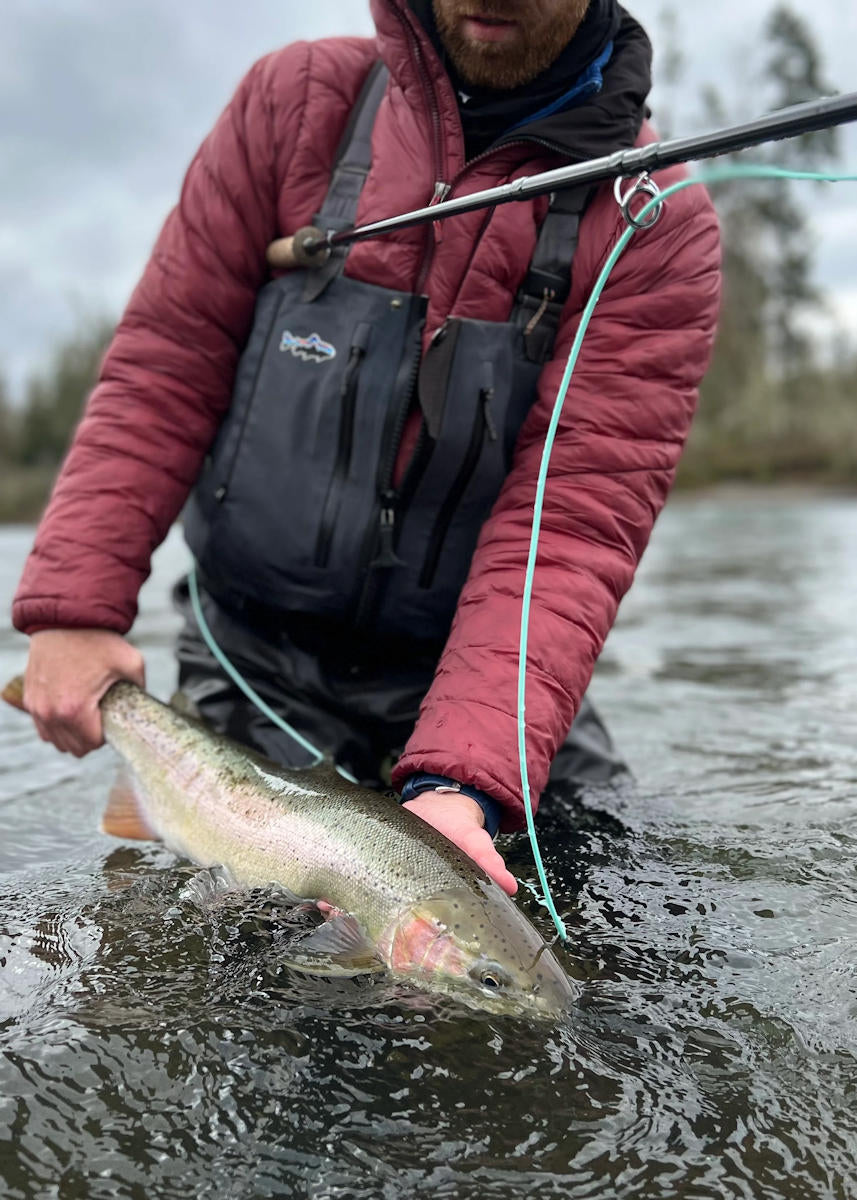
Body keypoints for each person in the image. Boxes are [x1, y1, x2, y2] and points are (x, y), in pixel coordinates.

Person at [13, 0, 721, 897]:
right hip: (252, 653)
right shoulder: (295, 103)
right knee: (241, 977)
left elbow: (571, 526)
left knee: (623, 922)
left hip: (467, 670)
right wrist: (76, 607)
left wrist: (465, 780)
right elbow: (167, 361)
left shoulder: (652, 223)